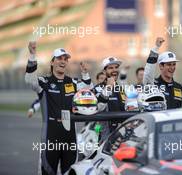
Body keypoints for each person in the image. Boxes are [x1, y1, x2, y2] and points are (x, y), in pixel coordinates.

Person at [25, 41, 93, 175]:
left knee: (71, 172)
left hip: (70, 138)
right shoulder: (44, 82)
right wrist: (32, 56)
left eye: (65, 59)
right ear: (52, 62)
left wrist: (85, 74)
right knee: (48, 171)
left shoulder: (73, 82)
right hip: (51, 136)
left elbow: (89, 92)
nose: (63, 61)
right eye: (59, 58)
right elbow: (29, 80)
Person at [143, 37, 182, 109]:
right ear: (161, 66)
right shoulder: (153, 85)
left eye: (174, 64)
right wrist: (156, 48)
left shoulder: (181, 88)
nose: (172, 68)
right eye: (169, 64)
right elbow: (148, 72)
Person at [93, 57, 126, 134]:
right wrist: (108, 88)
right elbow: (98, 108)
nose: (114, 70)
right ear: (104, 72)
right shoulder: (97, 88)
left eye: (116, 67)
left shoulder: (121, 88)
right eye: (110, 68)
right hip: (104, 133)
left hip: (121, 132)